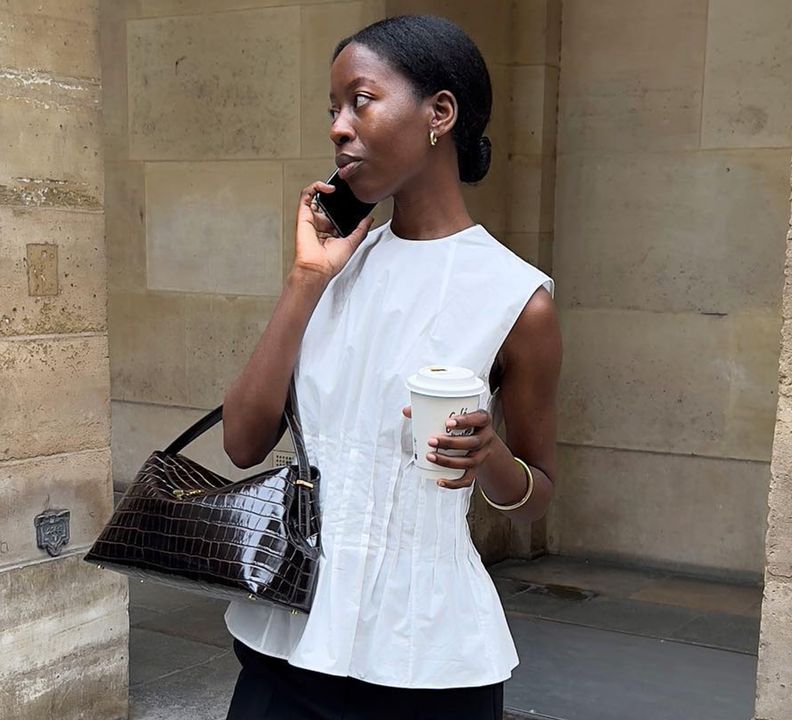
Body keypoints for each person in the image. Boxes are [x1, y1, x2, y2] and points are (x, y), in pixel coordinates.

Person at [220, 15, 561, 720]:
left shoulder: (516, 297)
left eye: (361, 100)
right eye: (332, 111)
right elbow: (243, 441)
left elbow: (536, 491)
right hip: (288, 637)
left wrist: (487, 456)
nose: (340, 127)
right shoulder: (333, 268)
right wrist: (304, 280)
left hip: (428, 655)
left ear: (440, 113)